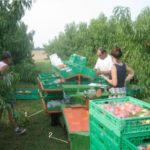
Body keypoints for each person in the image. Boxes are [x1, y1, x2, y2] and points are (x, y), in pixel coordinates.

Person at [0, 51, 26, 135]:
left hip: (2, 91)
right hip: (6, 92)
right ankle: (16, 129)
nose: (10, 60)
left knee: (1, 109)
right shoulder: (5, 66)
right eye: (10, 58)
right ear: (7, 59)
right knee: (11, 109)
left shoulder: (0, 63)